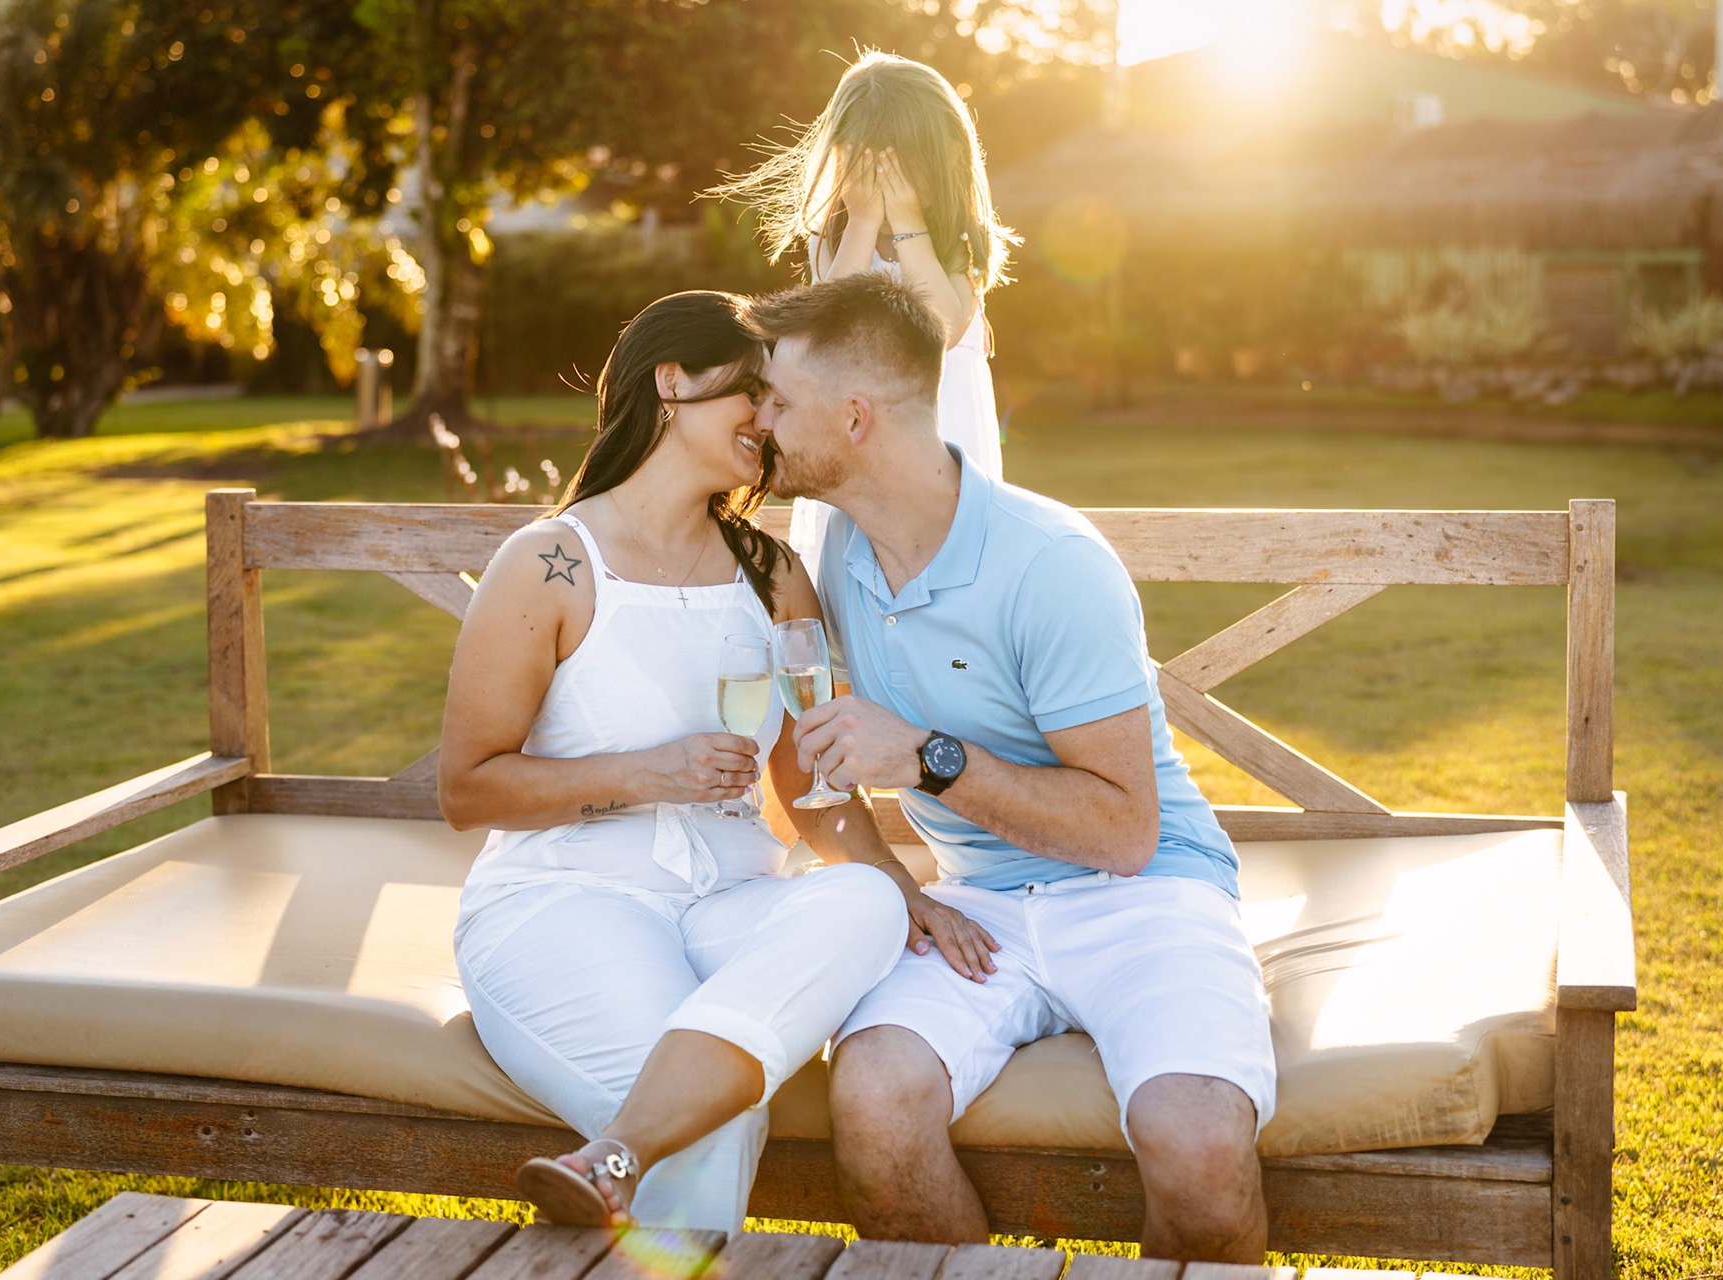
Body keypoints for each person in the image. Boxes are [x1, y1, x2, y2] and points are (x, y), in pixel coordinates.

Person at [746, 274, 1280, 1263]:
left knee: (1199, 1142)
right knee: (874, 1100)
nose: (757, 419)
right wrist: (902, 888)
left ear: (854, 417)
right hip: (977, 902)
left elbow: (1125, 831)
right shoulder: (836, 550)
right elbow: (804, 764)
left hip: (1144, 890)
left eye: (776, 400)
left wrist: (925, 757)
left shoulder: (1049, 561)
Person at [436, 290, 913, 1236]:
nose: (771, 420)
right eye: (755, 393)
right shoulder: (552, 563)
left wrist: (909, 893)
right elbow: (467, 788)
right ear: (672, 382)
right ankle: (636, 1163)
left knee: (868, 901)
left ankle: (618, 1153)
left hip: (732, 902)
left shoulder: (772, 573)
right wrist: (644, 774)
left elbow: (807, 786)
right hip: (566, 904)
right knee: (714, 1123)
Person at [707, 49, 1016, 579]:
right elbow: (823, 336)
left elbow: (941, 329)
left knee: (946, 576)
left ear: (942, 161)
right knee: (856, 581)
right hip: (854, 451)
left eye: (903, 164)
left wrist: (909, 224)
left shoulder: (954, 243)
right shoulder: (834, 236)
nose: (886, 177)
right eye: (871, 163)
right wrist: (865, 219)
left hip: (943, 444)